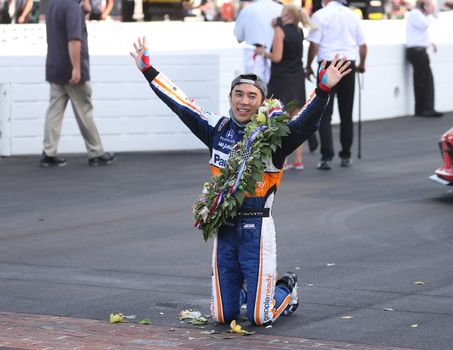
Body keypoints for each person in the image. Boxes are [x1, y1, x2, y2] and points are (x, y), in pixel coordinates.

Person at [131, 36, 351, 326]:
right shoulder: (216, 128)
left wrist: (322, 91)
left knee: (260, 317)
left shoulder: (274, 136)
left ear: (261, 102)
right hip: (224, 228)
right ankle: (251, 293)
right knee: (223, 316)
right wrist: (149, 71)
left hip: (257, 229)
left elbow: (305, 125)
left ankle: (285, 290)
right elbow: (181, 104)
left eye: (251, 96)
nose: (243, 101)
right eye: (238, 94)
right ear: (230, 97)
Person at [41, 0, 116, 167]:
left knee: (54, 111)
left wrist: (83, 10)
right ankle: (96, 152)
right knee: (85, 110)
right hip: (71, 70)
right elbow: (74, 39)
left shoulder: (53, 5)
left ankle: (48, 152)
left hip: (55, 66)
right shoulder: (72, 8)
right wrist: (76, 69)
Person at [306, 0, 367, 170]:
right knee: (346, 112)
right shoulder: (352, 15)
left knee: (324, 113)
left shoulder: (320, 15)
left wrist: (308, 65)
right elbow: (363, 45)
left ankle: (326, 157)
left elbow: (314, 44)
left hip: (327, 64)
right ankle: (346, 155)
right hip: (348, 63)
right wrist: (362, 64)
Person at [256, 4, 316, 170]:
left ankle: (282, 160)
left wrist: (262, 52)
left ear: (286, 14)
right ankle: (298, 161)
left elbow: (277, 57)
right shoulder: (299, 31)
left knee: (276, 119)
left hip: (281, 78)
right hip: (297, 78)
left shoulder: (279, 31)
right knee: (296, 120)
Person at [406, 0, 443, 118]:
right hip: (417, 52)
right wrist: (430, 13)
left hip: (419, 51)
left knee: (422, 80)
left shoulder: (418, 15)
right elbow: (424, 25)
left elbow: (420, 34)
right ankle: (426, 108)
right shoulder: (416, 14)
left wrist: (430, 43)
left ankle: (422, 108)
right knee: (425, 80)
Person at [233, 0, 283, 83]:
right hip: (277, 63)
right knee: (275, 95)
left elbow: (239, 37)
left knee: (254, 93)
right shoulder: (281, 9)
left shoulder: (248, 10)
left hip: (254, 64)